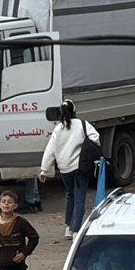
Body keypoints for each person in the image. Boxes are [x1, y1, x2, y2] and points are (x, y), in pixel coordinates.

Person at [39, 100, 100, 240]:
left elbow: (50, 150)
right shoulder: (83, 124)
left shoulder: (58, 129)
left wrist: (44, 170)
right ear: (74, 110)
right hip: (80, 167)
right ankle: (75, 230)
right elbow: (95, 138)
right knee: (80, 198)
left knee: (70, 195)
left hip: (64, 168)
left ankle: (68, 227)